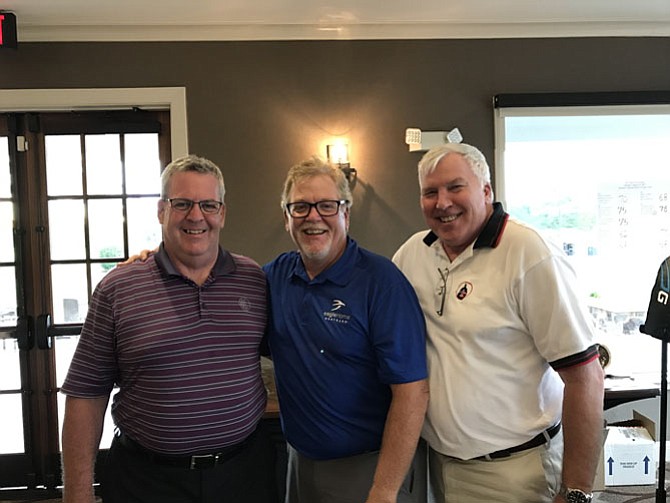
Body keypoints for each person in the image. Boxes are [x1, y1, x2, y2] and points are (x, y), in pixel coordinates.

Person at [392, 143, 604, 503]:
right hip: (437, 467)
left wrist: (576, 490)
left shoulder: (530, 254)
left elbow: (586, 376)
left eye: (455, 187)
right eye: (430, 192)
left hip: (514, 473)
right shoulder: (412, 254)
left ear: (487, 191)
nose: (442, 202)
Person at [60, 154, 277, 503]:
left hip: (243, 475)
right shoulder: (119, 288)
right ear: (161, 211)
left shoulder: (254, 280)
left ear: (222, 213)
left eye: (208, 204)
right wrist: (77, 496)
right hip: (146, 481)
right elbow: (86, 395)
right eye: (182, 204)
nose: (196, 216)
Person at [263, 156, 429, 503]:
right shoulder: (273, 278)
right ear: (286, 218)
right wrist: (153, 258)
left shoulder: (382, 283)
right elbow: (215, 281)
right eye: (300, 207)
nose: (313, 217)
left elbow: (412, 393)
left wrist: (384, 491)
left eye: (326, 206)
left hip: (369, 470)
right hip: (300, 464)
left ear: (346, 214)